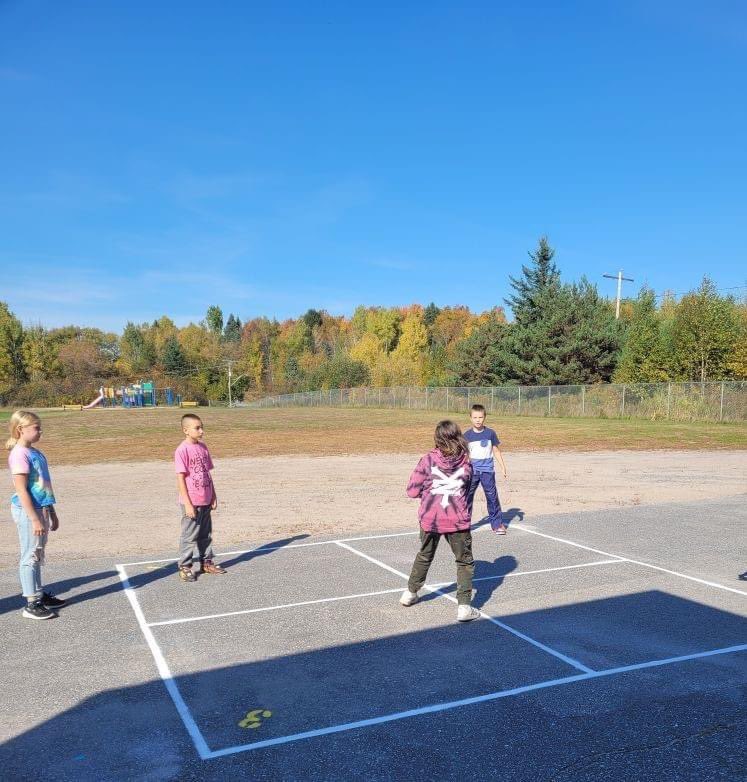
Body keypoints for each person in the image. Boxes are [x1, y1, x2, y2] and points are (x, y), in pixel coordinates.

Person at [399, 420, 480, 622]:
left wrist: (429, 495)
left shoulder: (427, 460)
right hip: (457, 519)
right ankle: (463, 606)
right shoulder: (466, 462)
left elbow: (412, 490)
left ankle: (410, 593)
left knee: (425, 555)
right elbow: (468, 487)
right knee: (464, 561)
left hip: (431, 518)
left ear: (437, 439)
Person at [6, 410, 65, 620]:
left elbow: (44, 487)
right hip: (28, 511)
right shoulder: (19, 454)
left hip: (42, 509)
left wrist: (52, 512)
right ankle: (31, 603)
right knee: (30, 555)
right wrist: (33, 518)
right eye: (36, 428)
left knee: (38, 553)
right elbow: (22, 490)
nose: (40, 431)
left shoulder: (36, 453)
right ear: (21, 429)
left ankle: (39, 595)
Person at [175, 413, 226, 581]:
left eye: (202, 427)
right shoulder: (182, 450)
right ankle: (185, 566)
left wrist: (213, 495)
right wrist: (188, 504)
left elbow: (207, 474)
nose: (201, 431)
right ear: (186, 430)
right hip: (192, 502)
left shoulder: (203, 448)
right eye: (197, 428)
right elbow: (181, 478)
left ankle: (206, 562)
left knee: (206, 534)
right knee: (190, 536)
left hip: (205, 499)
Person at [464, 404, 508, 534]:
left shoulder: (490, 433)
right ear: (470, 418)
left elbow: (496, 450)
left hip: (487, 471)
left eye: (480, 417)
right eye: (475, 417)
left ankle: (497, 524)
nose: (478, 420)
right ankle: (464, 525)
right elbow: (464, 455)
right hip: (472, 472)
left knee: (492, 497)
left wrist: (503, 467)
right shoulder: (466, 435)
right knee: (467, 497)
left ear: (485, 417)